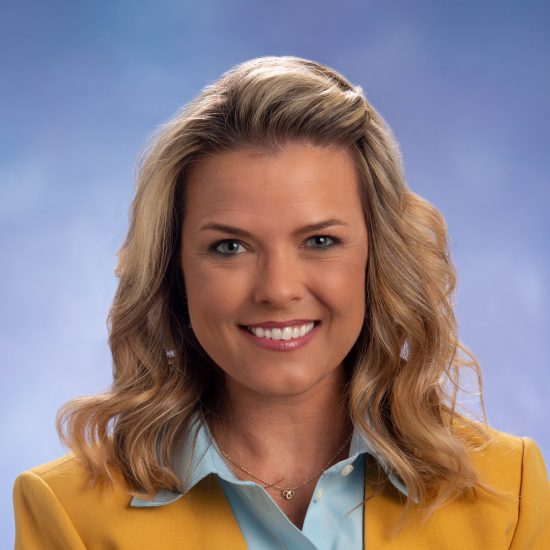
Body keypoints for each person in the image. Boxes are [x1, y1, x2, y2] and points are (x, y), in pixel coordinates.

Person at [13, 56, 550, 549]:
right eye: (230, 246)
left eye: (320, 241)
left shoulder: (511, 490)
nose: (278, 288)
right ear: (172, 270)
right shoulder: (69, 514)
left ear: (378, 256)